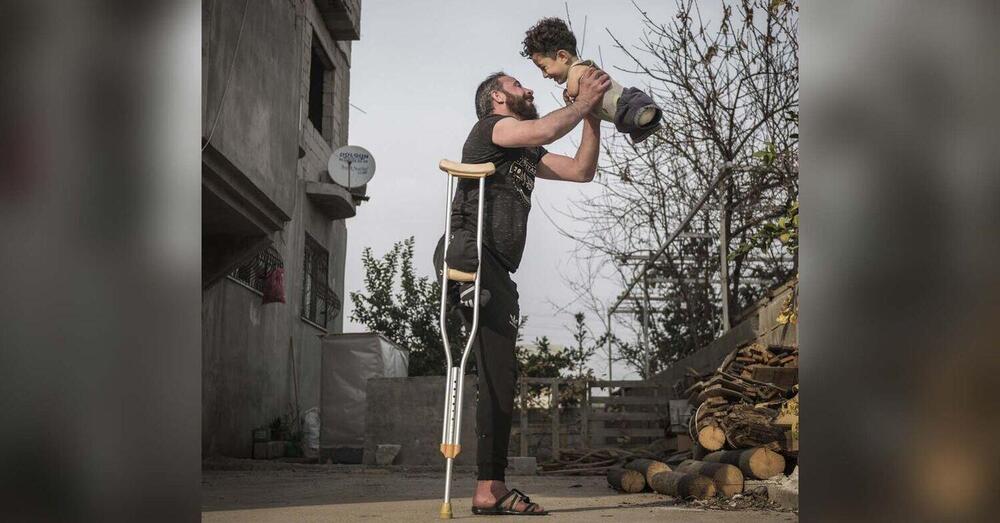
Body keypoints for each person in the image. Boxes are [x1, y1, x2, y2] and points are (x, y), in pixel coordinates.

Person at [433, 67, 610, 515]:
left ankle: (489, 488)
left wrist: (594, 117)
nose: (528, 88)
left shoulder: (526, 151)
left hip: (499, 270)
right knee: (493, 373)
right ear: (496, 97)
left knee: (500, 376)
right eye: (517, 85)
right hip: (470, 252)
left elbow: (581, 170)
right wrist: (583, 101)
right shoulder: (493, 129)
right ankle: (488, 488)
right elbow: (549, 125)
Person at [521, 17, 663, 143]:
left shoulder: (577, 69)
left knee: (632, 111)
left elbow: (573, 91)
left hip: (624, 103)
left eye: (544, 67)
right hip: (621, 112)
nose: (545, 75)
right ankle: (645, 122)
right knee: (631, 119)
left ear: (563, 56)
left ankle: (645, 115)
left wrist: (570, 99)